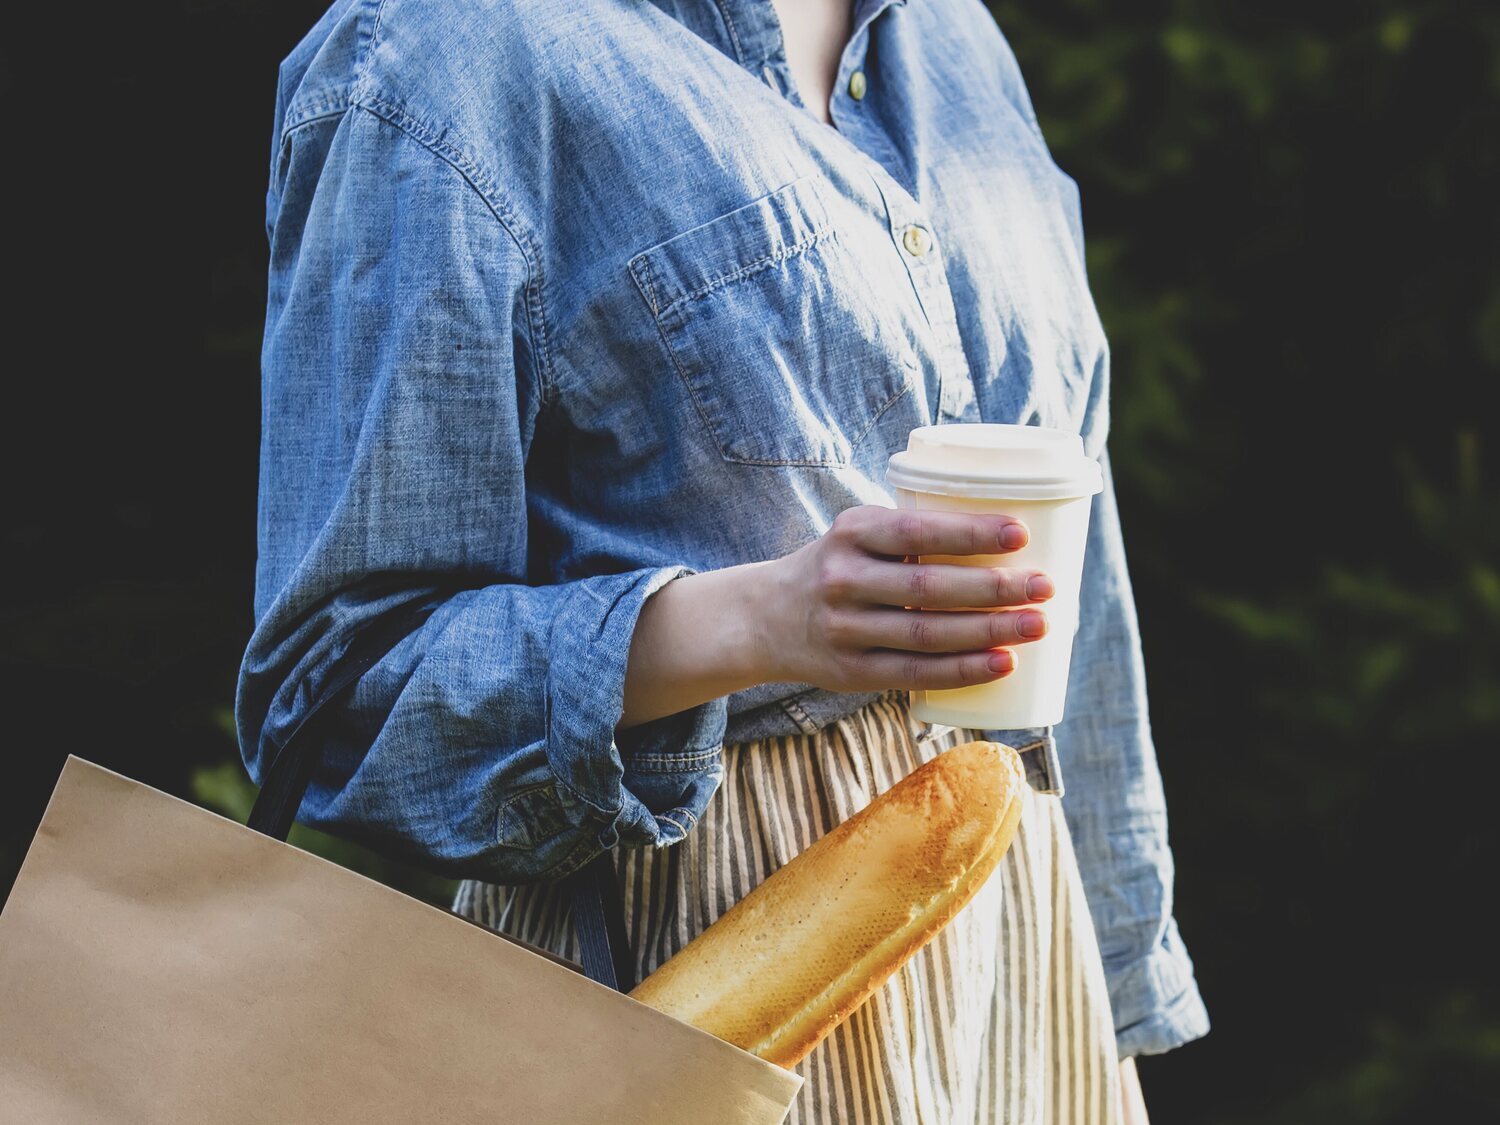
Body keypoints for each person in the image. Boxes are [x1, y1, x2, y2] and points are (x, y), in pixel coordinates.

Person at [240, 1, 1210, 1121]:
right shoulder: (443, 50)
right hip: (716, 975)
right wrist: (756, 623)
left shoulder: (950, 37)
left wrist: (1114, 1006)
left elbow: (1077, 577)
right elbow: (335, 699)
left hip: (1026, 966)